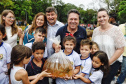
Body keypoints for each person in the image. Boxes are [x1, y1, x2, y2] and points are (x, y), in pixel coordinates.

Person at [92, 8, 125, 84]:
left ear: (108, 17)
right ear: (97, 19)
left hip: (112, 63)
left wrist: (107, 63)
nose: (102, 19)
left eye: (104, 16)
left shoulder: (116, 30)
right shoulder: (95, 31)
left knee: (105, 82)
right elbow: (93, 46)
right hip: (98, 63)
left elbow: (120, 49)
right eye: (99, 17)